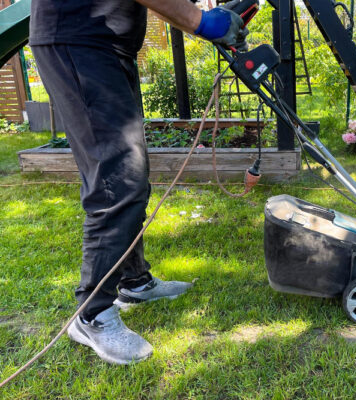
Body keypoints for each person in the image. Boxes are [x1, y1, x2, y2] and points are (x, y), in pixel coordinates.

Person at [29, 0, 249, 364]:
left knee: (130, 174)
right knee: (118, 179)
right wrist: (201, 21)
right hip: (80, 41)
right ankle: (91, 314)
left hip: (103, 46)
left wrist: (196, 20)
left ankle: (133, 281)